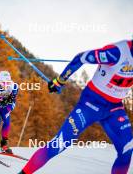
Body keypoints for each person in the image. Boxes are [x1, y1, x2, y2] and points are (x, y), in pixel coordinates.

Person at [19, 39, 133, 174]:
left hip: (114, 108)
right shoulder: (116, 53)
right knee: (59, 144)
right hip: (91, 103)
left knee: (127, 149)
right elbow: (81, 57)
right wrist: (59, 81)